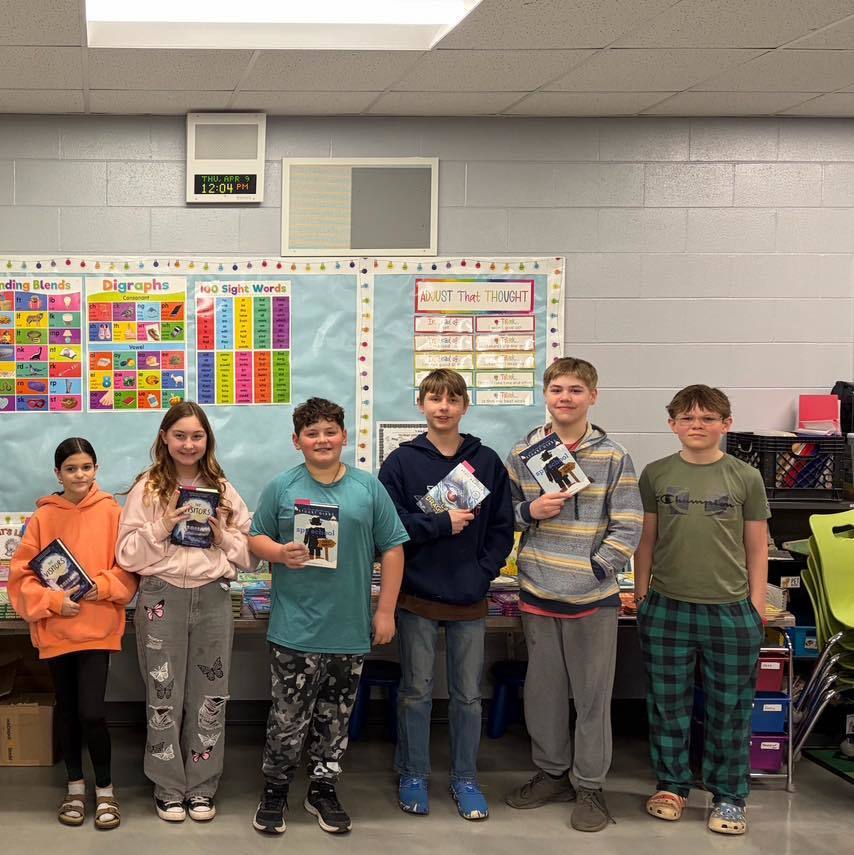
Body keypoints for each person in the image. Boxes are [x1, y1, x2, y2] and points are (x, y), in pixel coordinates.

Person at [249, 397, 408, 836]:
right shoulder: (282, 487)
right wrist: (280, 553)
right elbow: (255, 538)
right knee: (286, 717)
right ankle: (276, 789)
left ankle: (323, 789)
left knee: (335, 720)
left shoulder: (368, 488)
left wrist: (386, 611)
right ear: (297, 441)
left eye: (329, 431)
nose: (322, 439)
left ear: (343, 436)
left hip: (348, 628)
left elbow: (393, 548)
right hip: (294, 629)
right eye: (311, 432)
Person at [504, 357, 643, 832]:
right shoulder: (526, 450)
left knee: (591, 697)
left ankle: (590, 786)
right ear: (546, 395)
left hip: (592, 599)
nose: (565, 398)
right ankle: (551, 774)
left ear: (592, 396)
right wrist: (531, 509)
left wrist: (596, 569)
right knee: (543, 694)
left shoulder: (614, 455)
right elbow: (506, 515)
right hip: (538, 590)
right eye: (557, 389)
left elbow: (628, 524)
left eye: (576, 390)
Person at [378, 369, 514, 821]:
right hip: (416, 595)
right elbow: (390, 528)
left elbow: (500, 528)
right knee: (416, 690)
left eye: (452, 399)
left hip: (469, 597)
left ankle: (465, 777)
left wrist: (483, 573)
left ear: (464, 406)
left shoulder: (487, 460)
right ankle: (413, 772)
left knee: (468, 695)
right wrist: (439, 523)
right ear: (421, 405)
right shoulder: (401, 462)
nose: (442, 407)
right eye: (434, 398)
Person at [634, 385, 769, 836]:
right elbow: (646, 540)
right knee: (668, 703)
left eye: (708, 418)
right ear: (671, 424)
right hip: (667, 607)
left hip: (730, 611)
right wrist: (642, 594)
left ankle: (729, 795)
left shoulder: (745, 477)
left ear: (725, 425)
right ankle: (671, 785)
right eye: (687, 418)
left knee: (730, 707)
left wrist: (754, 605)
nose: (698, 426)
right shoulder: (655, 474)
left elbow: (756, 547)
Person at [116, 401, 253, 823]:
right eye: (180, 436)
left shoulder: (223, 489)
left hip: (212, 595)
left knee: (210, 696)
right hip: (162, 596)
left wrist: (223, 536)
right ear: (164, 438)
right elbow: (126, 554)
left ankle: (202, 785)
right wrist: (162, 526)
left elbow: (250, 555)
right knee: (164, 696)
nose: (189, 444)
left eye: (197, 436)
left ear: (207, 439)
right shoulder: (148, 489)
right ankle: (168, 786)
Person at [9, 437, 137, 830]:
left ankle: (106, 790)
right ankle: (75, 787)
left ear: (96, 469)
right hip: (57, 629)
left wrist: (105, 585)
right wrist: (51, 602)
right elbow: (21, 575)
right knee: (67, 712)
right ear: (57, 474)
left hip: (97, 628)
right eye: (70, 469)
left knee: (92, 713)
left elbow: (128, 567)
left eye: (86, 467)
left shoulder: (113, 512)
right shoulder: (43, 518)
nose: (79, 475)